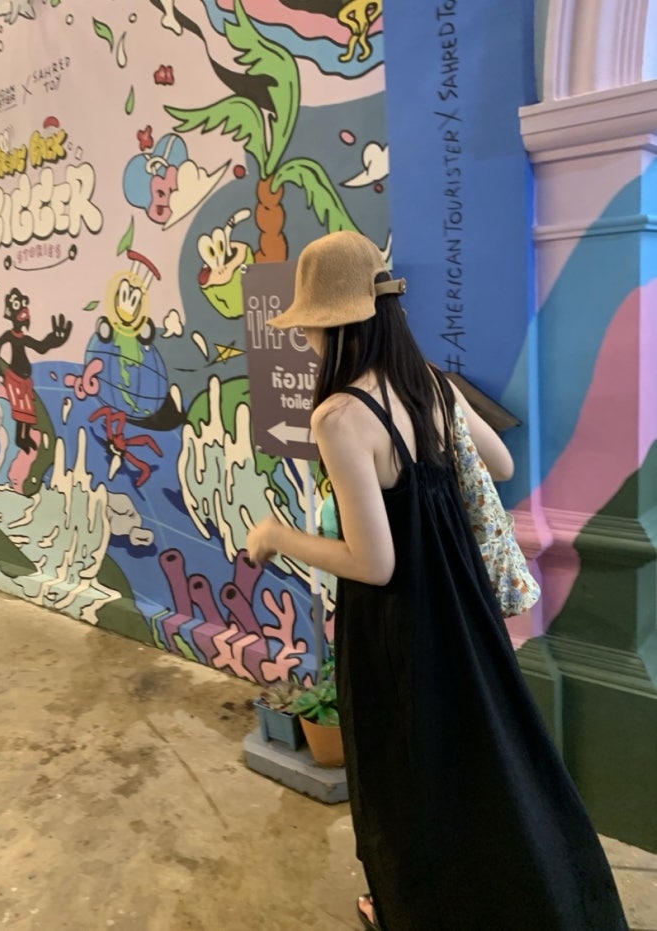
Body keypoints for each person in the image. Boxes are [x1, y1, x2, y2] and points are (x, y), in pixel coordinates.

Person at [246, 230, 628, 931]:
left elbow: (375, 562)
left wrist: (277, 536)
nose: (305, 340)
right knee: (489, 758)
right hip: (464, 606)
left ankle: (411, 906)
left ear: (332, 325)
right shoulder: (428, 383)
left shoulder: (339, 416)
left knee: (403, 771)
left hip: (398, 623)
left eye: (308, 326)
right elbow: (500, 466)